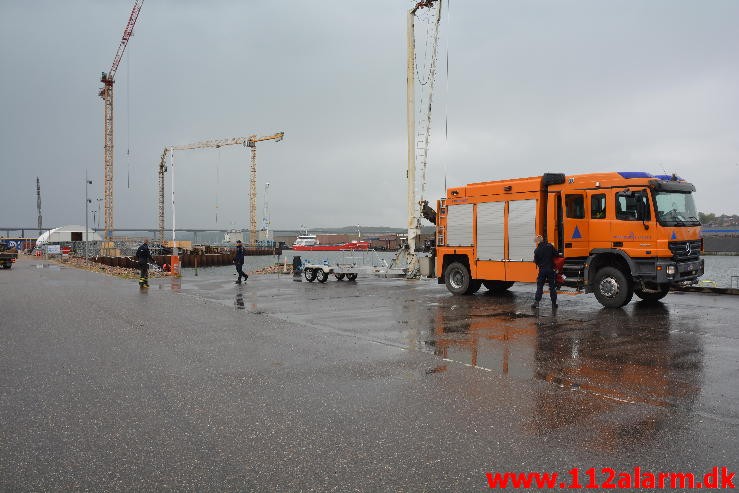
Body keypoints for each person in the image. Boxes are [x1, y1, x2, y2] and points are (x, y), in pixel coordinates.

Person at [532, 234, 558, 309]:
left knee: (540, 286)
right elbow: (556, 254)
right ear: (543, 240)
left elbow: (536, 261)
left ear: (537, 242)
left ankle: (536, 302)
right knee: (552, 287)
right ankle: (554, 304)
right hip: (550, 269)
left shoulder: (537, 250)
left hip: (542, 270)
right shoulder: (550, 246)